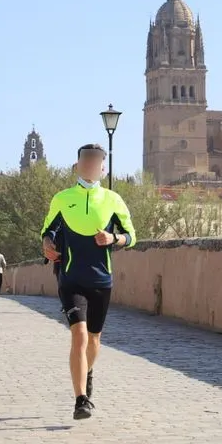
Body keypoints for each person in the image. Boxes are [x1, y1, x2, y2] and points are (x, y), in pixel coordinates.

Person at [42, 144, 136, 420]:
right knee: (79, 335)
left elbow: (131, 236)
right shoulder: (62, 198)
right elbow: (47, 230)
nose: (90, 166)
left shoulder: (113, 200)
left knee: (94, 338)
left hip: (101, 280)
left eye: (96, 162)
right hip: (71, 278)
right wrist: (47, 244)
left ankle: (88, 371)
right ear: (78, 165)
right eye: (86, 161)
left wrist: (114, 239)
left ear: (102, 168)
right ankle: (81, 399)